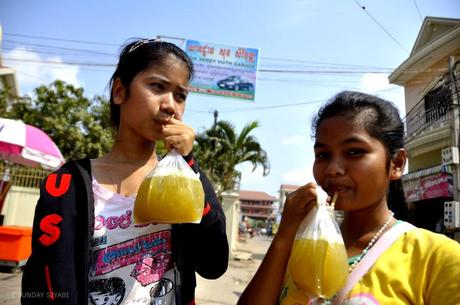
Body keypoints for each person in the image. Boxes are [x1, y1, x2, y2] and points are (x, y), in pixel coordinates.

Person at [21, 38, 229, 305]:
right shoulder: (66, 186)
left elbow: (213, 264)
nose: (170, 106)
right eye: (158, 86)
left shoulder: (181, 183)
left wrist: (189, 161)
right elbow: (42, 281)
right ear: (119, 91)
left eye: (180, 95)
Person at [238, 91, 460, 305]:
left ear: (397, 164)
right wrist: (284, 236)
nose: (332, 169)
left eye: (354, 151)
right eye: (323, 155)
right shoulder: (301, 248)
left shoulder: (439, 259)